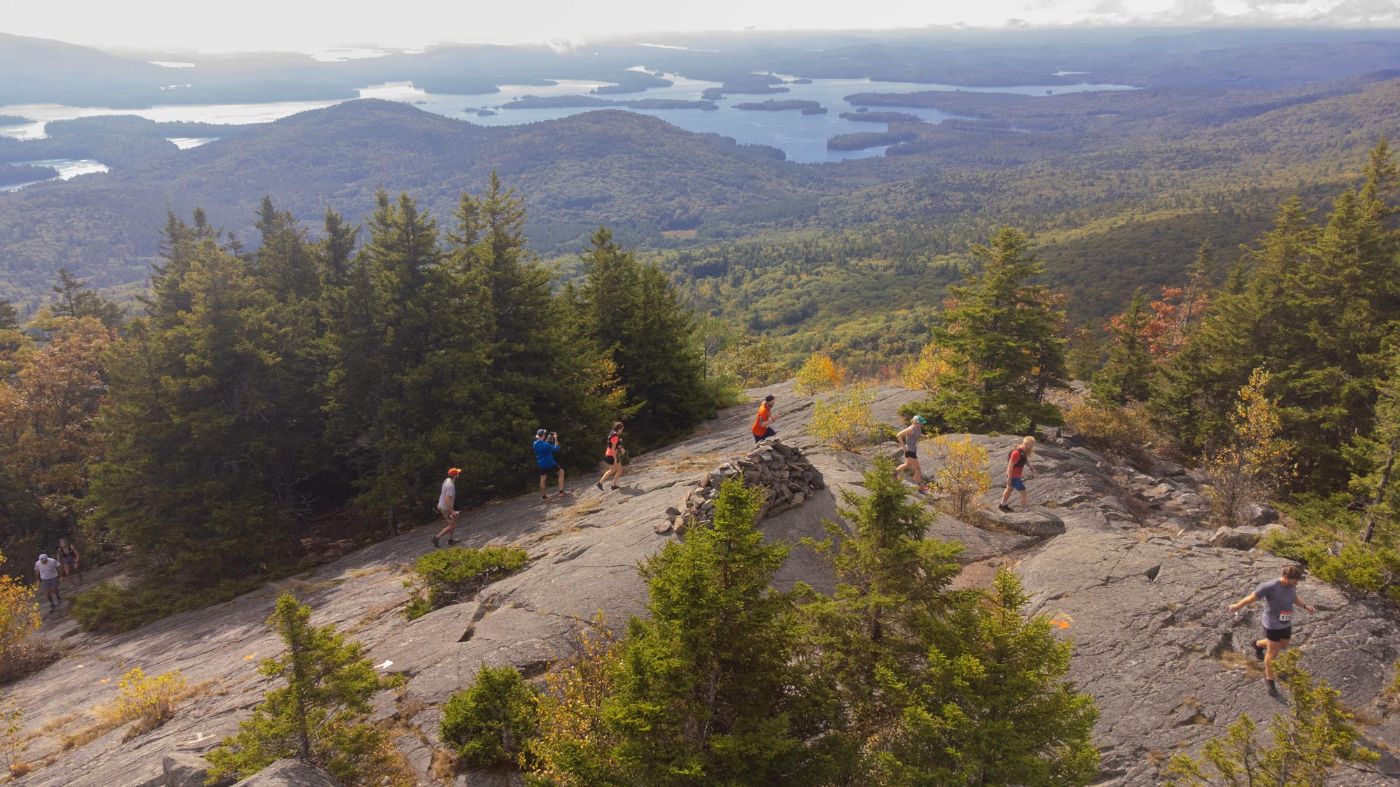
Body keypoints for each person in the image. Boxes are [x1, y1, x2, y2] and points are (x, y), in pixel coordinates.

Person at [1228, 564, 1316, 696]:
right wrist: (1236, 606)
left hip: (1285, 622)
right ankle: (1269, 680)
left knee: (1283, 645)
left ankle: (1258, 644)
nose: (1297, 583)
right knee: (1273, 651)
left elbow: (1294, 597)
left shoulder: (1291, 586)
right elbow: (1252, 597)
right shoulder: (1270, 586)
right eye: (1295, 580)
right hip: (1272, 624)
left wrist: (1305, 605)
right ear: (1285, 577)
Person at [998, 436, 1037, 512]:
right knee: (1023, 492)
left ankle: (1002, 505)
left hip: (1015, 475)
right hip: (1013, 476)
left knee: (1009, 489)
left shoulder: (1023, 451)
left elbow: (1025, 460)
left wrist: (1032, 468)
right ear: (1026, 444)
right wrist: (1009, 477)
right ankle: (1024, 509)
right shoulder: (1016, 453)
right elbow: (1010, 465)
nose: (1032, 447)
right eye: (1031, 445)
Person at [895, 415, 929, 491]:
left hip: (913, 450)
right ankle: (919, 486)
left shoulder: (918, 428)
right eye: (919, 423)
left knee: (907, 465)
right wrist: (903, 446)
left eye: (921, 423)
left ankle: (894, 473)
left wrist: (925, 436)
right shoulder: (910, 429)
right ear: (915, 422)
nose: (921, 424)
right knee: (918, 469)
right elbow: (898, 435)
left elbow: (919, 434)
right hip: (909, 451)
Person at [432, 468, 462, 548]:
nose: (459, 474)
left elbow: (443, 493)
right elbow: (447, 498)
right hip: (446, 508)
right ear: (455, 476)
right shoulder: (450, 486)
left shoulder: (447, 480)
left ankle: (450, 540)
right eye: (458, 473)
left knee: (453, 522)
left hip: (443, 506)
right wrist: (452, 511)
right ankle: (436, 538)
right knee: (452, 525)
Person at [534, 429, 566, 499]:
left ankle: (544, 496)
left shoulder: (535, 444)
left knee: (543, 479)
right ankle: (561, 492)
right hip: (550, 462)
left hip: (541, 464)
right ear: (543, 435)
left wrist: (546, 440)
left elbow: (540, 442)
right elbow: (556, 448)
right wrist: (555, 438)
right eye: (544, 434)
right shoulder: (546, 444)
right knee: (561, 472)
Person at [596, 421, 626, 491]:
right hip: (611, 455)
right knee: (619, 470)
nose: (622, 430)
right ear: (619, 429)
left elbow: (615, 444)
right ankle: (612, 485)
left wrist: (621, 448)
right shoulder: (615, 437)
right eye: (622, 429)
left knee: (613, 470)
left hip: (608, 454)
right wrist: (615, 459)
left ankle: (601, 483)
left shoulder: (612, 433)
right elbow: (613, 449)